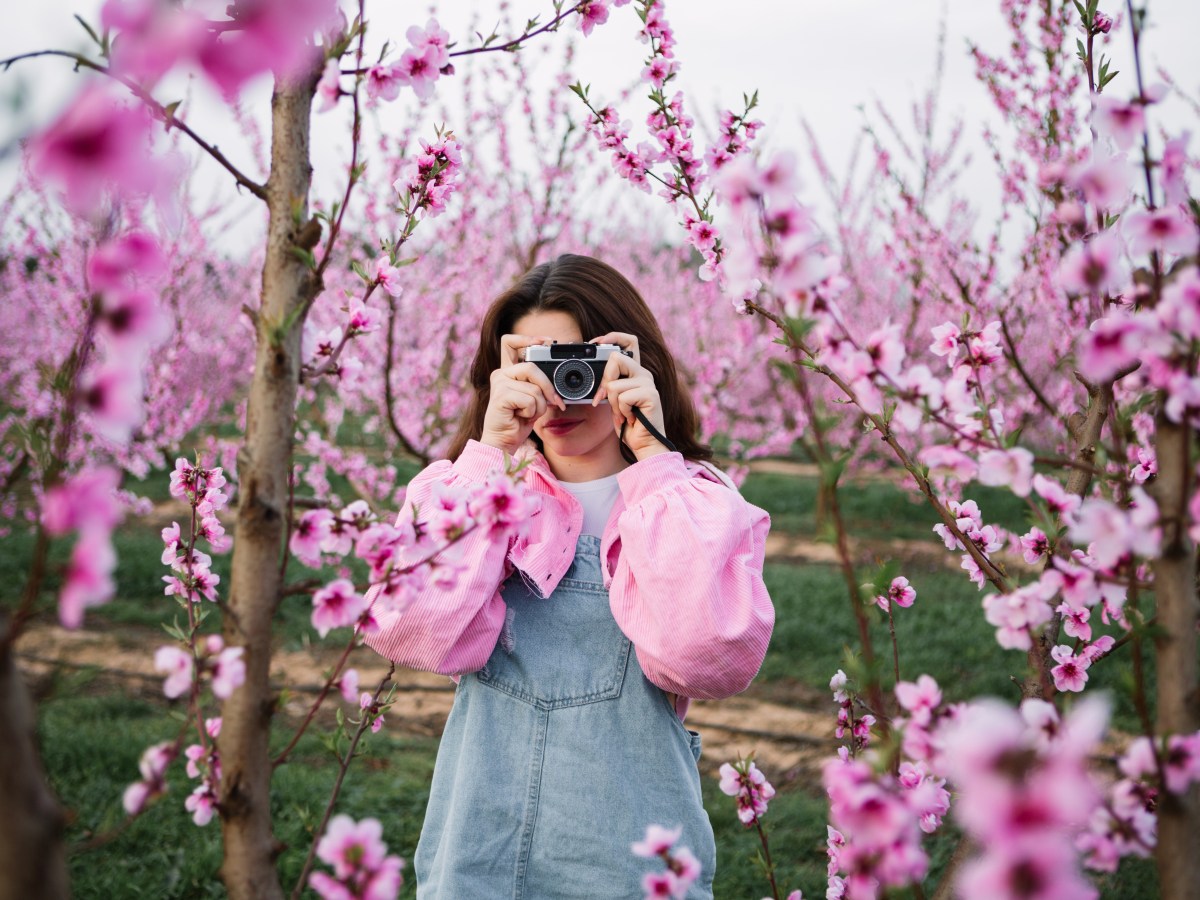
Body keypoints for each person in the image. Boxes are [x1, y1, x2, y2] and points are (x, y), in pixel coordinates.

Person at [363, 253, 773, 898]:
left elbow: (705, 658)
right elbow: (412, 631)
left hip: (633, 859)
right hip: (480, 852)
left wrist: (654, 460)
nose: (561, 391)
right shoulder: (476, 497)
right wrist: (489, 455)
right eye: (537, 367)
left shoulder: (692, 503)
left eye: (580, 365)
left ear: (634, 368)